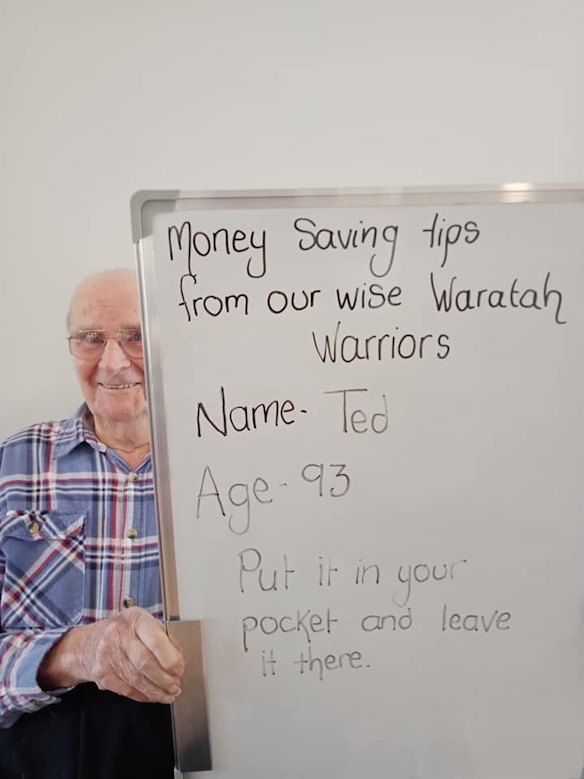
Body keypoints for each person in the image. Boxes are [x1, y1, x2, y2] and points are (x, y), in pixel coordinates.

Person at [0, 268, 184, 778]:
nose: (112, 360)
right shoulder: (16, 464)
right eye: (90, 338)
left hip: (197, 741)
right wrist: (75, 654)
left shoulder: (231, 463)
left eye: (135, 335)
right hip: (48, 750)